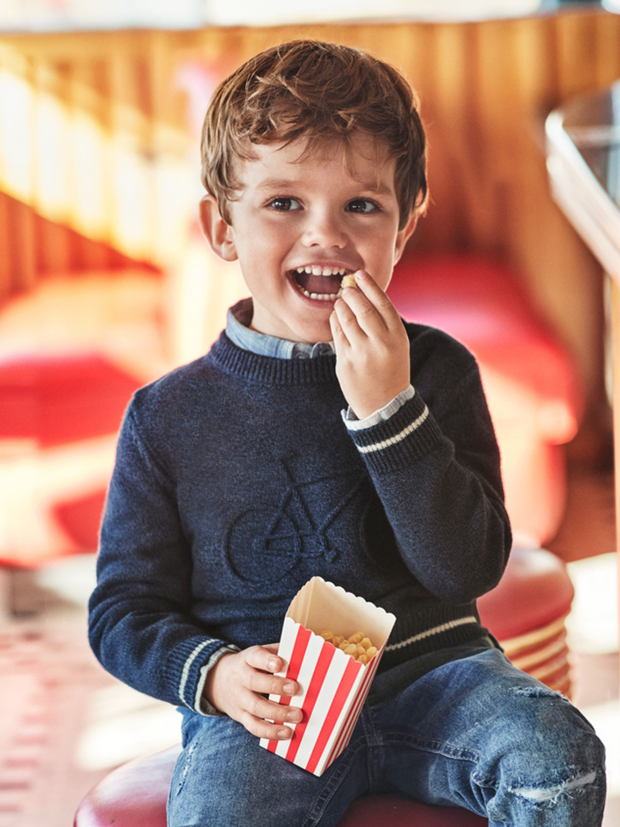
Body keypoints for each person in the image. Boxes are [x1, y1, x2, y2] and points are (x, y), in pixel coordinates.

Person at [89, 40, 606, 827]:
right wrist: (217, 675)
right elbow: (123, 609)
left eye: (361, 206)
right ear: (220, 226)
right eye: (283, 203)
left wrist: (388, 411)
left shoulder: (437, 371)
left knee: (556, 756)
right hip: (273, 713)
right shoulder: (166, 417)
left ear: (404, 228)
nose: (325, 234)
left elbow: (467, 565)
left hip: (440, 680)